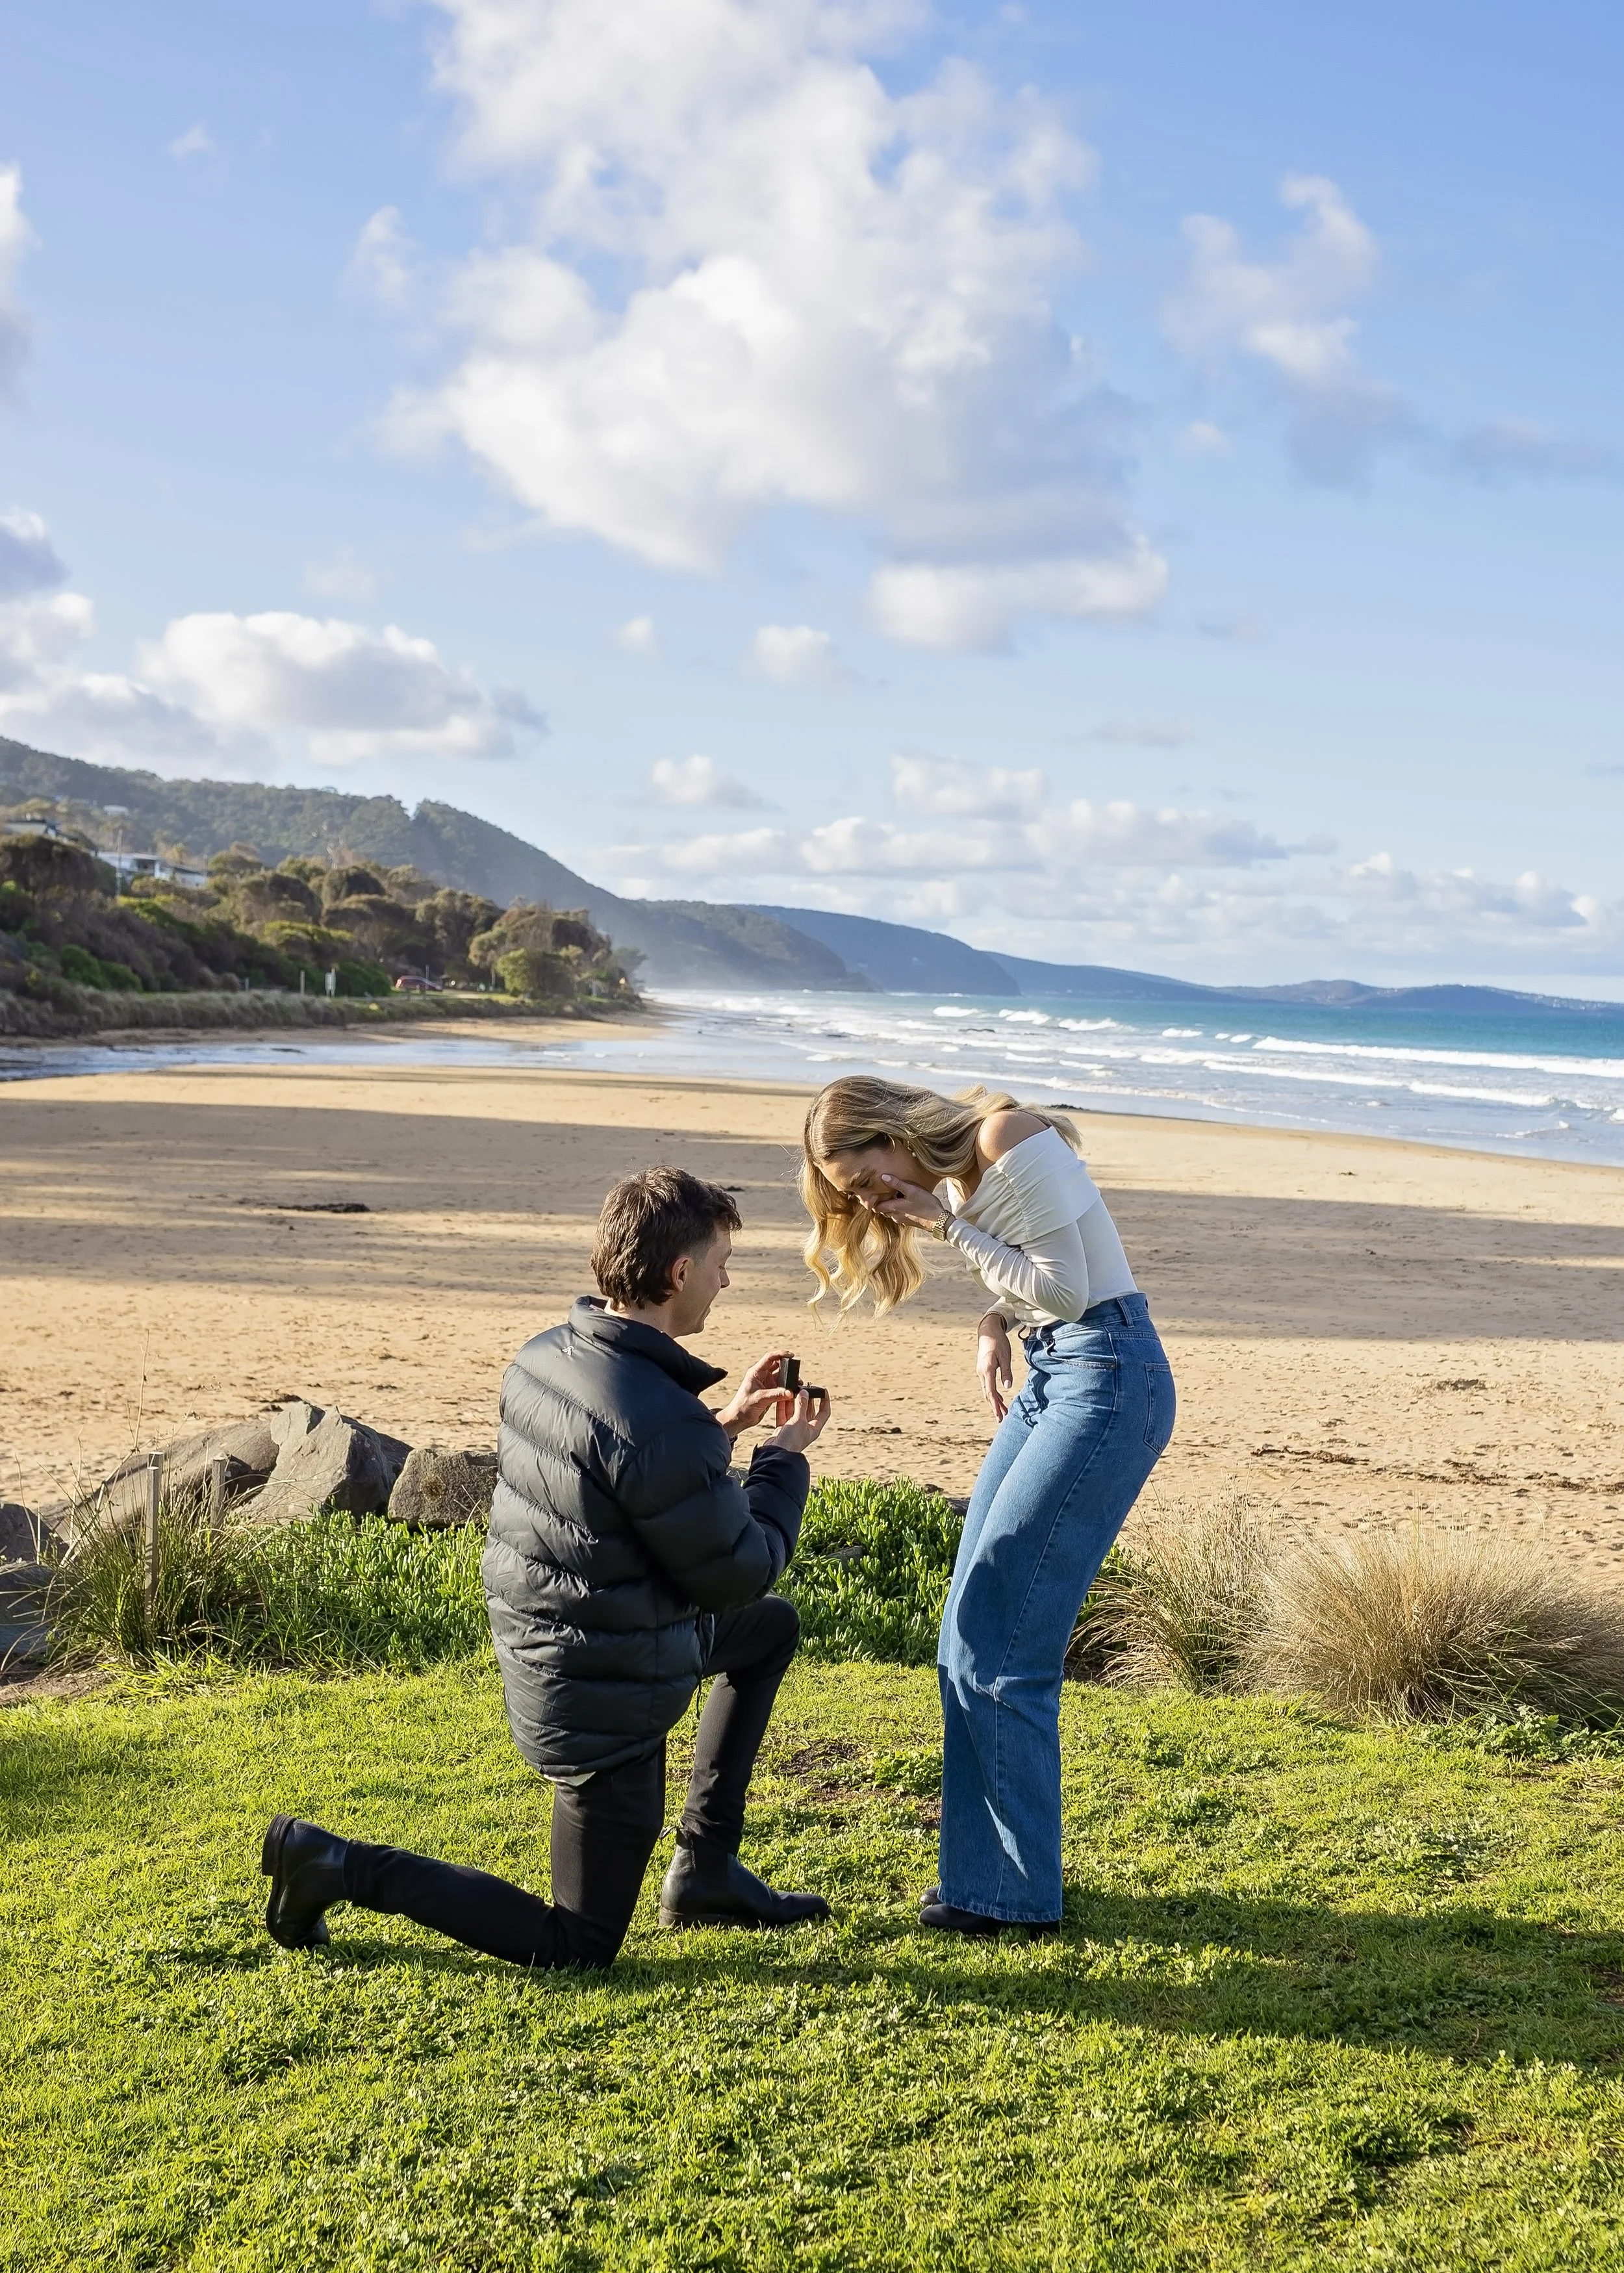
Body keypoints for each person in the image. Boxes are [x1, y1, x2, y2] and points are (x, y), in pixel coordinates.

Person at [261, 1165, 833, 1969]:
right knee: (579, 1944)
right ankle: (329, 1862)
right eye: (719, 1263)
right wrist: (781, 1460)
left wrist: (722, 1424)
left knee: (766, 1632)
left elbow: (620, 1480)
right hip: (600, 1686)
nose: (725, 1279)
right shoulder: (654, 1417)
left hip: (563, 1638)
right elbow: (737, 1570)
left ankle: (704, 1867)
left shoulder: (548, 1357)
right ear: (678, 1274)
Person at [799, 1077, 1174, 1937]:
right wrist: (993, 1319)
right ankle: (984, 1880)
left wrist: (950, 1227)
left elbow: (1073, 1289)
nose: (872, 1202)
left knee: (1004, 1637)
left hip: (1109, 1379)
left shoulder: (1007, 1133)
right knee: (968, 1629)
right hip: (1058, 1372)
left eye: (868, 1180)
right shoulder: (962, 1177)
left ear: (897, 1133)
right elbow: (1040, 1285)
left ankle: (1011, 1897)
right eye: (854, 1196)